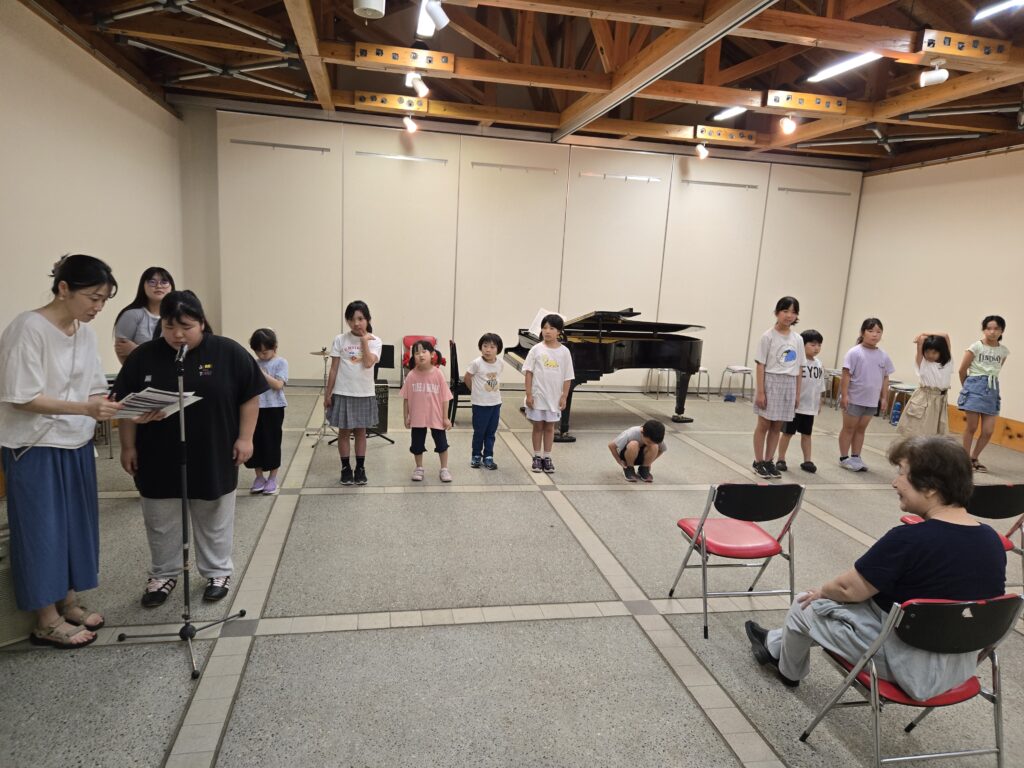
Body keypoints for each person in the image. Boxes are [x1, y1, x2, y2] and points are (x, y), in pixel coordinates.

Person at [744, 436, 1006, 700]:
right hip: (958, 666)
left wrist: (822, 592)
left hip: (904, 664)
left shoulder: (909, 539)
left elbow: (848, 589)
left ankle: (788, 671)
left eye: (901, 473)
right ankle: (774, 643)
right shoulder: (992, 541)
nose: (894, 482)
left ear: (930, 488)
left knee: (805, 605)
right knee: (853, 605)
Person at [114, 290, 267, 607]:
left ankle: (217, 571)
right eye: (169, 327)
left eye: (186, 326)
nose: (178, 335)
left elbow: (250, 397)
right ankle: (163, 573)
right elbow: (125, 405)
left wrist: (245, 438)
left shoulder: (228, 352)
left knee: (214, 515)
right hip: (157, 452)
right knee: (160, 517)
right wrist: (127, 446)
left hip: (213, 448)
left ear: (202, 323)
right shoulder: (144, 356)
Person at [0, 254, 121, 648]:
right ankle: (46, 619)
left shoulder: (84, 333)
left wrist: (122, 408)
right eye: (93, 297)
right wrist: (86, 409)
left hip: (75, 441)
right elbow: (22, 397)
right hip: (34, 445)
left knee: (73, 525)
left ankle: (68, 601)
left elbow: (94, 387)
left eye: (104, 300)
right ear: (64, 288)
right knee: (41, 529)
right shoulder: (28, 328)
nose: (98, 307)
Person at [325, 300, 381, 486]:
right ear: (347, 321)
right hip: (343, 392)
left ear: (367, 319)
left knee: (361, 432)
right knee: (343, 432)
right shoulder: (340, 339)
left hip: (364, 393)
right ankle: (345, 468)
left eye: (360, 319)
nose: (356, 323)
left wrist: (364, 341)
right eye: (351, 319)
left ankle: (360, 468)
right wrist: (328, 393)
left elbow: (368, 363)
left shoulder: (375, 341)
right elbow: (334, 369)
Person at [752, 297, 804, 480]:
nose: (789, 315)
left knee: (777, 426)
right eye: (785, 311)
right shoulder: (768, 336)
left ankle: (769, 461)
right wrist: (761, 392)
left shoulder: (798, 339)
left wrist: (797, 393)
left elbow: (799, 368)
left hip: (788, 383)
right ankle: (758, 461)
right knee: (764, 425)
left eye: (793, 312)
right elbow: (760, 365)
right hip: (771, 381)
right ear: (777, 312)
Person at [838, 318, 894, 472]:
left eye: (878, 332)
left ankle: (856, 457)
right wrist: (844, 395)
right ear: (862, 332)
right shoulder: (855, 352)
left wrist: (884, 398)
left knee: (861, 429)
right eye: (870, 331)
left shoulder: (883, 355)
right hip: (854, 398)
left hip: (871, 400)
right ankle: (844, 458)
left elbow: (885, 377)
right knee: (849, 428)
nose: (875, 335)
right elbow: (846, 374)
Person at [523, 314, 575, 474]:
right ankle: (536, 456)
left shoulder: (564, 352)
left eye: (552, 328)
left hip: (554, 397)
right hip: (538, 396)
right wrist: (529, 394)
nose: (547, 331)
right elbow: (529, 373)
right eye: (544, 328)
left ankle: (547, 457)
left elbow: (568, 376)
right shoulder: (536, 349)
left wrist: (564, 396)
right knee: (538, 426)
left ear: (559, 331)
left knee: (550, 427)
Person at [958, 316, 1009, 473]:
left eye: (996, 329)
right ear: (984, 330)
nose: (992, 332)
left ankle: (974, 458)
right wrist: (968, 388)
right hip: (974, 385)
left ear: (1002, 331)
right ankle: (964, 459)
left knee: (988, 430)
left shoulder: (1003, 351)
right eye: (989, 328)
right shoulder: (976, 346)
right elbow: (962, 370)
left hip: (992, 389)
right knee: (972, 427)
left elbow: (996, 370)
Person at [400, 339, 453, 482]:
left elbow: (445, 398)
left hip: (436, 416)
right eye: (417, 353)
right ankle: (419, 468)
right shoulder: (411, 375)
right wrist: (406, 416)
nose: (421, 355)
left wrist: (445, 417)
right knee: (417, 445)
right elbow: (406, 398)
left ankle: (444, 468)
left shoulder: (438, 374)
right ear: (413, 356)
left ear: (432, 354)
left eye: (424, 352)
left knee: (442, 444)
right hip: (417, 417)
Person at [776, 329, 826, 473]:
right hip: (795, 406)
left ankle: (807, 460)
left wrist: (819, 402)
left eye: (819, 345)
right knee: (787, 433)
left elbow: (820, 385)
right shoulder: (796, 361)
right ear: (802, 345)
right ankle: (781, 459)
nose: (816, 348)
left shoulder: (818, 364)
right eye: (812, 344)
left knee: (807, 434)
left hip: (809, 407)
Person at [246, 328, 288, 495]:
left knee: (272, 442)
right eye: (258, 352)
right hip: (255, 407)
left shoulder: (281, 362)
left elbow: (278, 385)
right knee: (256, 442)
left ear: (274, 347)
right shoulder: (254, 363)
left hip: (274, 407)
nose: (262, 355)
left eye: (265, 351)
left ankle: (272, 478)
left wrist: (262, 375)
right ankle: (259, 477)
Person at [113, 267, 175, 364]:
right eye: (152, 282)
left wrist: (136, 349)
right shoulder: (132, 315)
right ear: (143, 286)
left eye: (164, 282)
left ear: (171, 286)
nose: (159, 286)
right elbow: (122, 350)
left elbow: (174, 354)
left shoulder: (176, 316)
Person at [896, 333, 953, 437]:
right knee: (918, 432)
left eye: (934, 352)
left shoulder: (947, 362)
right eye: (927, 352)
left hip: (941, 399)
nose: (930, 355)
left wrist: (925, 333)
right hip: (924, 398)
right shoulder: (923, 363)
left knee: (935, 436)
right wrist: (921, 336)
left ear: (942, 351)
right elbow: (921, 340)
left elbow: (945, 336)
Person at [464, 332, 503, 470]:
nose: (488, 350)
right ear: (480, 347)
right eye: (485, 346)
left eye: (492, 347)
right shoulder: (476, 363)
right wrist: (474, 391)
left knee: (491, 432)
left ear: (498, 349)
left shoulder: (500, 363)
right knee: (479, 432)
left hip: (495, 403)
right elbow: (467, 378)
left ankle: (488, 456)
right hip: (480, 404)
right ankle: (476, 455)